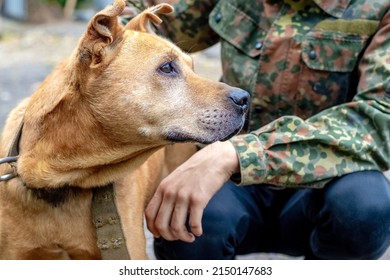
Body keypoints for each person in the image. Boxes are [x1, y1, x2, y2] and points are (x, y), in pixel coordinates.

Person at [124, 0, 390, 259]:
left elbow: (379, 117)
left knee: (366, 206)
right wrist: (106, 32)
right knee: (183, 219)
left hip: (323, 184)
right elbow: (147, 23)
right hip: (233, 189)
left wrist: (237, 155)